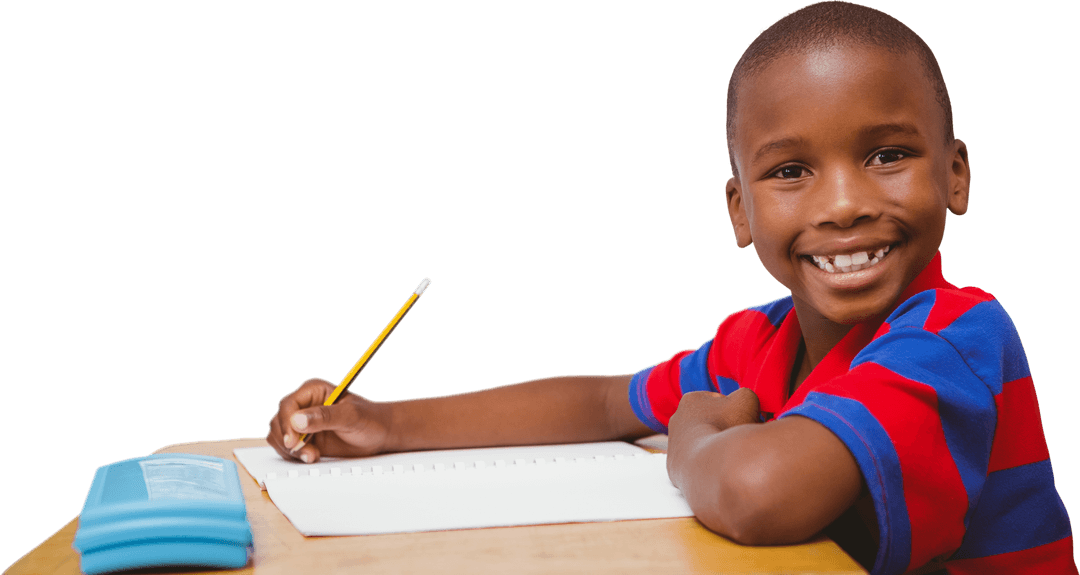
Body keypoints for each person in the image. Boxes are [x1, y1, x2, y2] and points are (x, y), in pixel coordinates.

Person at [265, 2, 1075, 573]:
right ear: (741, 210)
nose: (844, 204)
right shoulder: (755, 344)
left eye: (887, 155)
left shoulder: (955, 339)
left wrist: (692, 436)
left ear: (956, 174)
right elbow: (605, 401)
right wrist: (389, 425)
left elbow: (759, 492)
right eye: (791, 171)